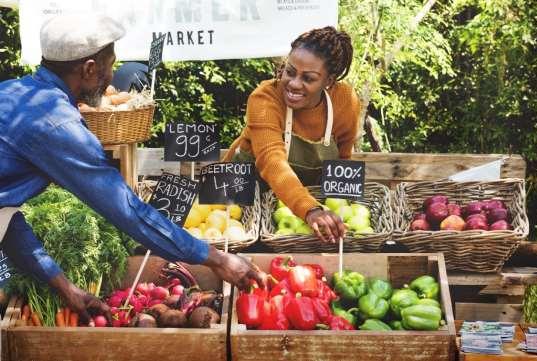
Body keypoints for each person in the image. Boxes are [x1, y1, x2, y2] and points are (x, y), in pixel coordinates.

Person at [0, 13, 264, 325]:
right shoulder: (57, 125)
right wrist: (217, 259)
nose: (113, 75)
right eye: (110, 64)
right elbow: (129, 212)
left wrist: (65, 287)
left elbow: (6, 217)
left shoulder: (11, 92)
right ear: (88, 69)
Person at [224, 26, 360, 243]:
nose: (294, 84)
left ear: (329, 81)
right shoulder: (265, 98)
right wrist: (310, 210)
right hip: (238, 202)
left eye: (309, 78)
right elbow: (271, 160)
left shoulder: (345, 101)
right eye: (290, 72)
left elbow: (343, 160)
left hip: (294, 210)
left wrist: (342, 209)